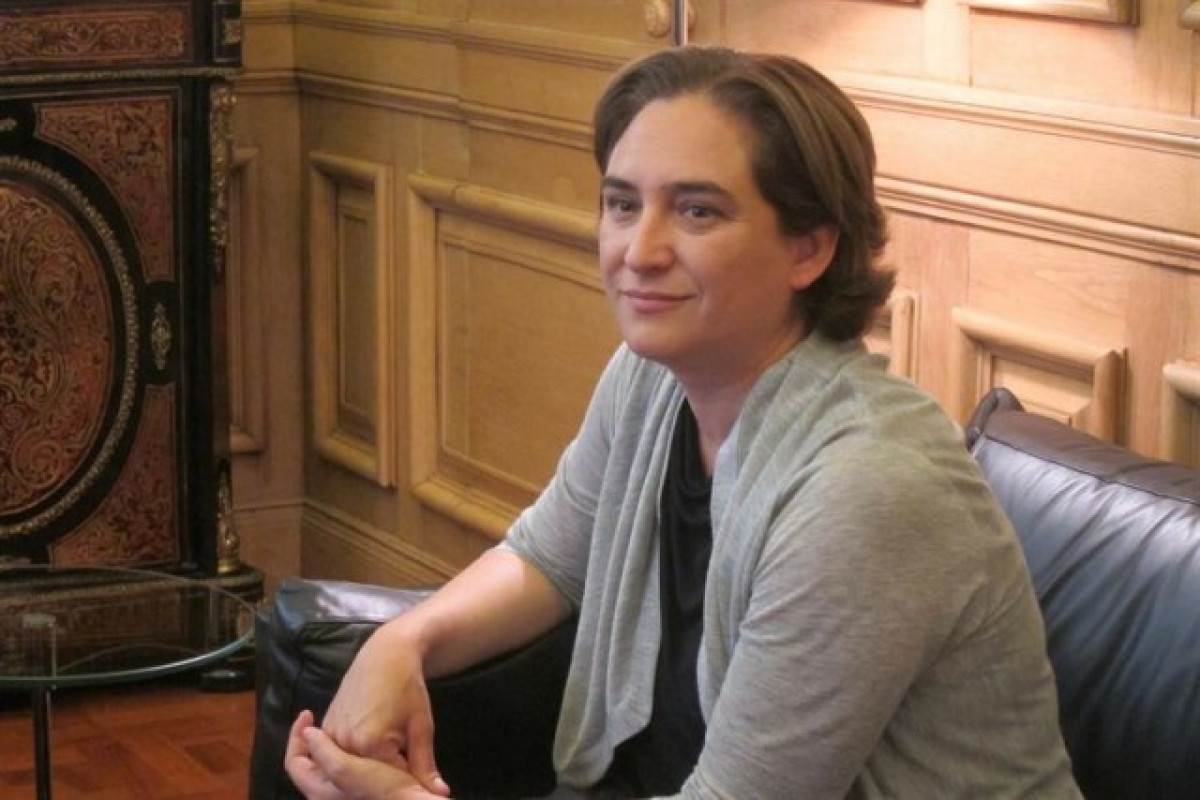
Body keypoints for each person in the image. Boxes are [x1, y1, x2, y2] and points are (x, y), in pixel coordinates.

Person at [285, 45, 1082, 799]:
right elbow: (550, 559)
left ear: (808, 249)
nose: (640, 250)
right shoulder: (651, 379)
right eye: (622, 204)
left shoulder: (868, 487)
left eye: (697, 211)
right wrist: (402, 642)